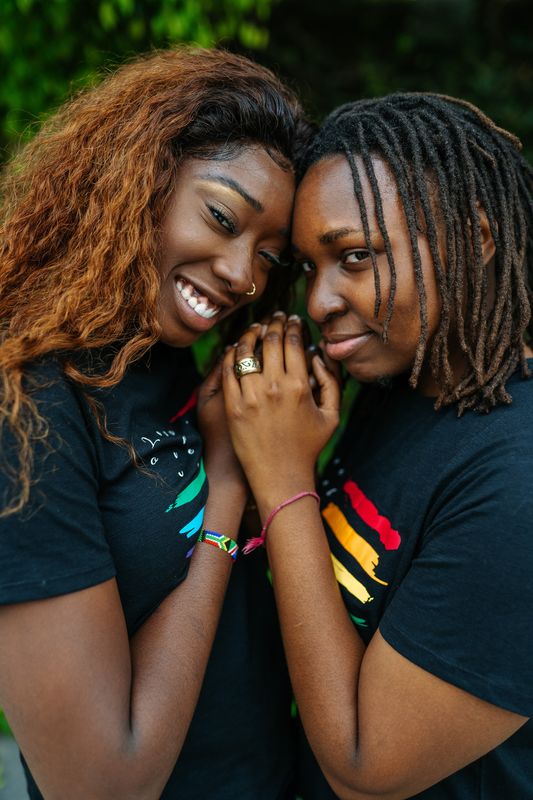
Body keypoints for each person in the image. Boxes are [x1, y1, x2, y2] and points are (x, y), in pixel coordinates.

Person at [0, 47, 311, 799]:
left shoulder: (164, 357)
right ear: (140, 179)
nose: (244, 275)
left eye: (269, 257)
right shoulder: (25, 409)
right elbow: (102, 782)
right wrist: (230, 483)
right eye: (220, 217)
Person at [219, 93, 533, 798]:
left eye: (354, 256)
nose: (319, 301)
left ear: (474, 238)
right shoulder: (402, 389)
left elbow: (366, 766)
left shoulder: (517, 483)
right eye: (307, 267)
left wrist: (282, 478)